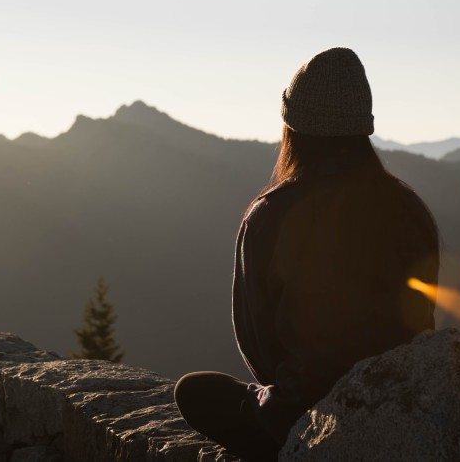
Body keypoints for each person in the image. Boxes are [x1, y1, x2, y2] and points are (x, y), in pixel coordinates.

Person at [173, 47, 440, 460]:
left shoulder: (271, 214)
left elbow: (257, 340)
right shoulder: (409, 210)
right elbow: (421, 321)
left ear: (293, 128)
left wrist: (282, 397)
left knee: (195, 391)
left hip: (304, 416)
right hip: (400, 404)